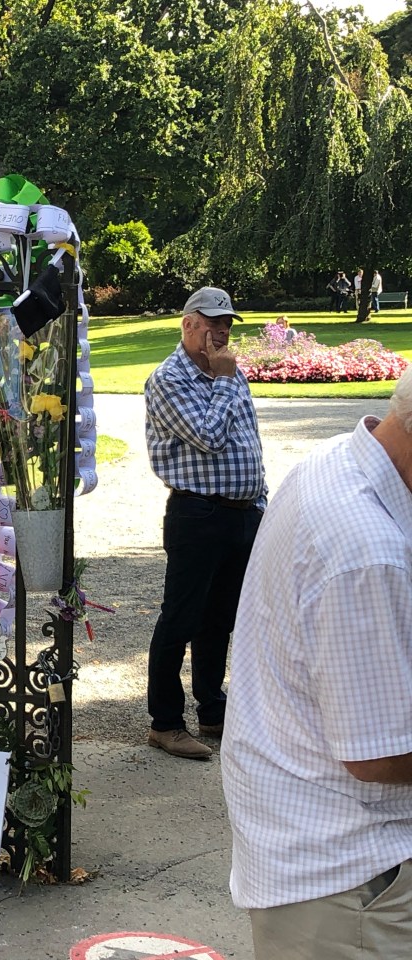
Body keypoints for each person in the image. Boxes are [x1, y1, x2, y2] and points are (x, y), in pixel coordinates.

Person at [223, 367, 412, 958]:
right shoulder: (367, 553)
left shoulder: (337, 459)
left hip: (310, 850)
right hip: (350, 880)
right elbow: (378, 753)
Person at [142, 285, 266, 760]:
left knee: (220, 620)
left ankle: (212, 711)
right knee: (181, 617)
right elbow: (210, 437)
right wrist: (225, 380)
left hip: (241, 513)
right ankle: (166, 723)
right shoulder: (170, 379)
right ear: (188, 324)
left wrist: (260, 497)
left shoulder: (226, 373)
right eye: (212, 322)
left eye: (227, 323)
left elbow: (248, 440)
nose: (221, 331)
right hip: (197, 513)